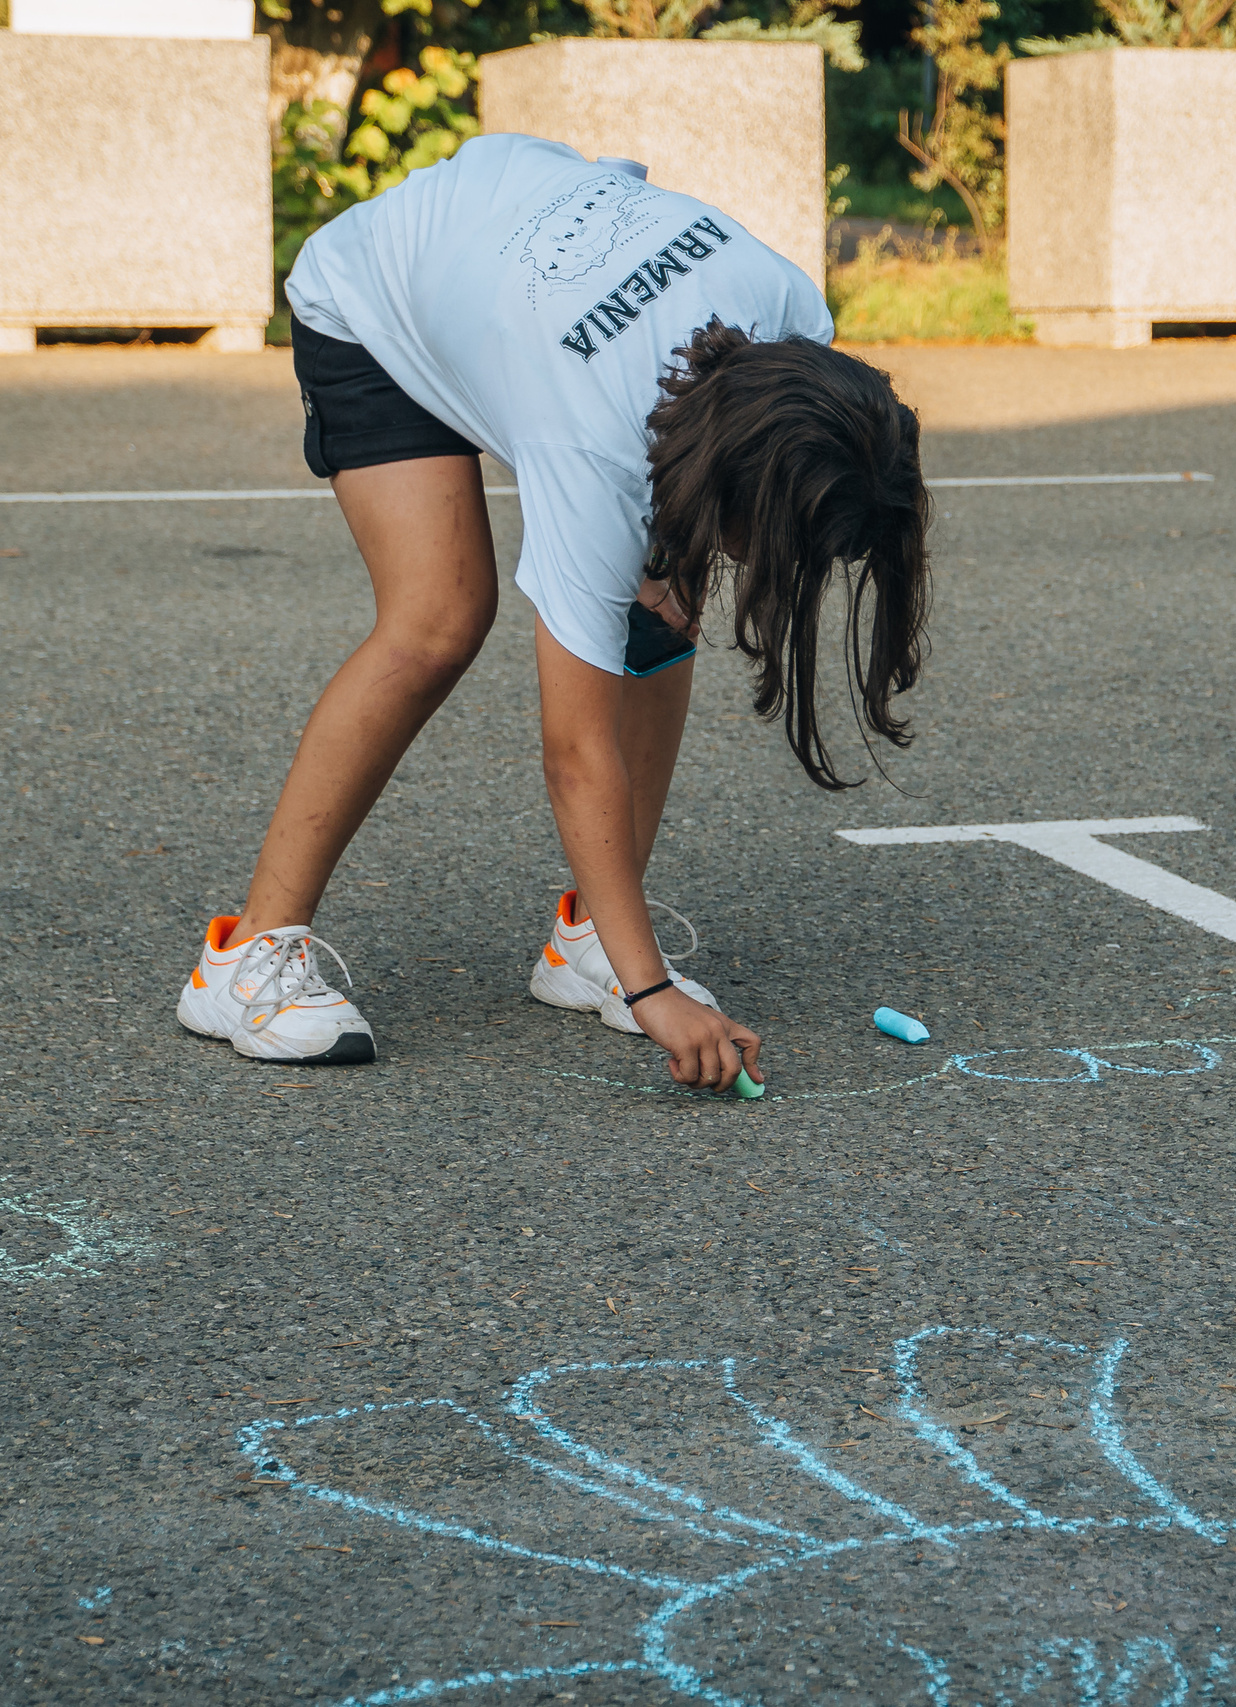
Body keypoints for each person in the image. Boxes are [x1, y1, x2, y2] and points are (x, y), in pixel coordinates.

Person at [174, 134, 931, 1094]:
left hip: (511, 280)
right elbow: (576, 750)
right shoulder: (595, 453)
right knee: (439, 618)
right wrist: (654, 991)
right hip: (382, 295)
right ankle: (246, 957)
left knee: (662, 605)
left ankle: (593, 941)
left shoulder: (793, 320)